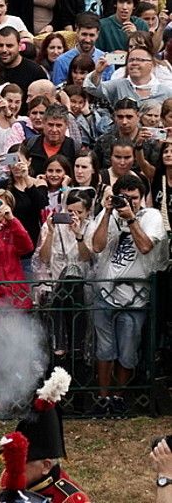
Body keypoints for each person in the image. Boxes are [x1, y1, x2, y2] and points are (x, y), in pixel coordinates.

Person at [89, 174, 167, 416]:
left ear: (142, 198)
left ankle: (119, 397)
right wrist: (108, 213)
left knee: (128, 350)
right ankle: (104, 399)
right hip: (105, 292)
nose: (129, 202)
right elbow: (98, 245)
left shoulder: (151, 216)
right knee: (104, 349)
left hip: (135, 296)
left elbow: (145, 247)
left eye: (134, 198)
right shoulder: (109, 213)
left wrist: (132, 219)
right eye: (125, 198)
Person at [0, 368, 88, 502]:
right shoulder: (7, 479)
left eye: (21, 462)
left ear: (46, 466)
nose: (12, 467)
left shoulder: (70, 499)